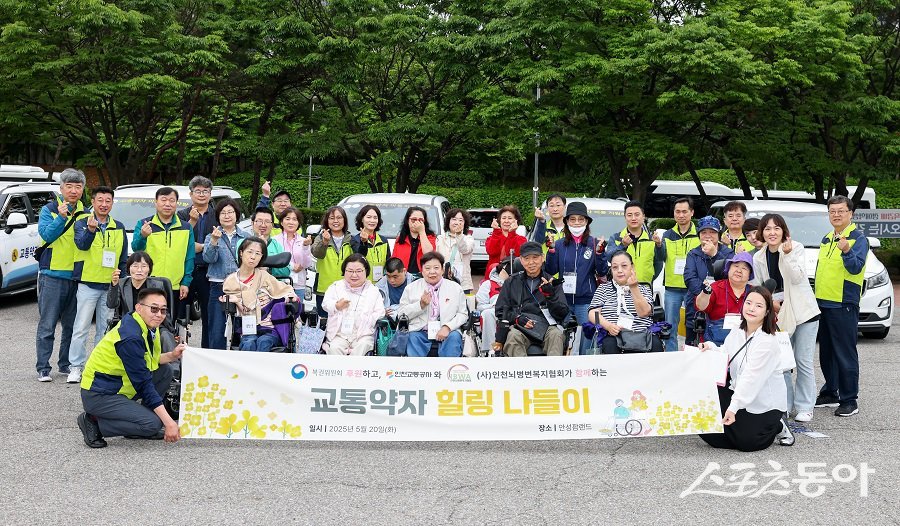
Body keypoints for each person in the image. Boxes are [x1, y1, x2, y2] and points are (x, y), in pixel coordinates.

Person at [77, 287, 185, 448]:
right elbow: (143, 383)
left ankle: (137, 422)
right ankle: (93, 422)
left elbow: (151, 361)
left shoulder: (145, 325)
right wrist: (168, 422)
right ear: (139, 307)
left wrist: (172, 355)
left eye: (163, 310)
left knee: (165, 371)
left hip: (119, 388)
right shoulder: (131, 337)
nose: (159, 314)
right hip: (99, 395)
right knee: (153, 424)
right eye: (154, 309)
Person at [699, 286, 794, 451]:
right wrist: (709, 347)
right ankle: (737, 429)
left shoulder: (767, 342)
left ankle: (778, 426)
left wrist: (733, 407)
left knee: (749, 443)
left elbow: (751, 378)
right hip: (739, 392)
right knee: (706, 429)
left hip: (764, 403)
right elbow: (727, 353)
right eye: (749, 303)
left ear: (766, 312)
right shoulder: (737, 329)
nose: (751, 308)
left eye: (758, 305)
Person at [752, 213, 820, 423]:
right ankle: (784, 405)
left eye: (776, 228)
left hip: (804, 313)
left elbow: (798, 277)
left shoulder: (795, 248)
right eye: (767, 229)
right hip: (778, 314)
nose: (772, 233)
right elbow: (762, 285)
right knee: (781, 363)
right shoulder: (758, 256)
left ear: (784, 231)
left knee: (803, 361)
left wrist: (788, 255)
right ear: (762, 232)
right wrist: (770, 302)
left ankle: (805, 406)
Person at [814, 195, 868, 417]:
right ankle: (831, 392)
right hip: (823, 302)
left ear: (850, 213)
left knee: (845, 352)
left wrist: (846, 250)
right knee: (826, 352)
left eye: (841, 211)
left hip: (843, 303)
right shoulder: (827, 238)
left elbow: (856, 268)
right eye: (832, 211)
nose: (836, 215)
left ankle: (849, 399)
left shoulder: (858, 238)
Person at [69, 186, 128, 383]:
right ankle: (75, 367)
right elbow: (81, 245)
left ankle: (96, 366)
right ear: (92, 202)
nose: (104, 204)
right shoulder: (81, 222)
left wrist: (121, 282)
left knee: (105, 329)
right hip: (87, 284)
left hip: (110, 285)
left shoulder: (119, 226)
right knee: (81, 328)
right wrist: (91, 230)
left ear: (112, 203)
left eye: (108, 201)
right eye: (100, 200)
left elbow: (122, 258)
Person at [35, 168, 88, 382]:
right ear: (61, 188)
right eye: (69, 186)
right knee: (47, 324)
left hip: (77, 276)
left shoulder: (87, 213)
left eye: (78, 186)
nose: (74, 190)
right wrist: (62, 217)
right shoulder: (49, 209)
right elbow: (46, 234)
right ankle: (43, 368)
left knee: (72, 326)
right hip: (52, 275)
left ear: (83, 189)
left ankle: (65, 365)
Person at [545, 201, 608, 354]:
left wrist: (600, 254)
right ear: (566, 221)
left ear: (587, 222)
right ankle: (562, 366)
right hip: (563, 299)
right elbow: (551, 270)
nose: (577, 223)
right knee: (560, 334)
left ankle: (585, 365)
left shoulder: (594, 243)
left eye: (581, 219)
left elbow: (602, 272)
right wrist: (551, 251)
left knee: (589, 332)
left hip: (586, 299)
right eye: (572, 219)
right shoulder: (559, 244)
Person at [492, 242, 569, 356]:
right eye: (527, 258)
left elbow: (562, 313)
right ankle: (522, 372)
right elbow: (500, 310)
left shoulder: (552, 282)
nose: (531, 262)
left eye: (535, 257)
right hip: (520, 327)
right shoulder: (511, 282)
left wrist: (550, 295)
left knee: (556, 335)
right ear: (521, 260)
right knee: (513, 337)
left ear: (542, 258)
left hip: (547, 326)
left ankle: (553, 371)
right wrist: (517, 318)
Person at [223, 237, 298, 352]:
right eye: (250, 252)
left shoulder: (264, 276)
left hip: (269, 327)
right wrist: (236, 301)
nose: (253, 257)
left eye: (258, 254)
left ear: (261, 258)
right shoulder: (231, 281)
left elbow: (285, 290)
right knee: (248, 344)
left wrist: (290, 297)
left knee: (264, 342)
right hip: (247, 327)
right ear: (241, 253)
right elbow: (234, 307)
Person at [131, 186, 194, 318]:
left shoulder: (186, 227)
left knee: (172, 324)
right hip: (148, 284)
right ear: (156, 202)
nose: (167, 204)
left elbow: (189, 257)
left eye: (172, 200)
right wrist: (143, 235)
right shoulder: (144, 224)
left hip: (175, 286)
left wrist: (186, 282)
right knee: (147, 321)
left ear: (176, 203)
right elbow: (136, 249)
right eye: (163, 200)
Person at [588, 250, 661, 354]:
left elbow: (644, 312)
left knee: (656, 345)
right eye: (615, 267)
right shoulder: (603, 289)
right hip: (614, 334)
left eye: (624, 266)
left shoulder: (644, 289)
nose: (619, 270)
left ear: (632, 267)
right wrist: (607, 325)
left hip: (642, 335)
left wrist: (634, 288)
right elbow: (593, 314)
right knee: (609, 345)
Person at [397, 252, 468, 357]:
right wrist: (420, 305)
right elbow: (401, 315)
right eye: (427, 268)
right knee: (412, 337)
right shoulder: (411, 288)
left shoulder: (455, 288)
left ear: (442, 270)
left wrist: (447, 327)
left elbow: (463, 314)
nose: (432, 272)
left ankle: (448, 371)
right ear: (421, 270)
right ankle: (418, 371)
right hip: (420, 331)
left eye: (436, 268)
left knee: (454, 338)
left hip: (448, 332)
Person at [177, 176, 218, 348]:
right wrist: (192, 224)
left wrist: (200, 247)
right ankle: (178, 354)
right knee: (180, 314)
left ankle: (206, 353)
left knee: (209, 316)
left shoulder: (217, 215)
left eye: (205, 191)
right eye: (198, 191)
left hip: (208, 270)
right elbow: (180, 242)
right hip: (185, 270)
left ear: (210, 194)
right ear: (190, 193)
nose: (201, 194)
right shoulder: (181, 215)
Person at [202, 198, 248, 350]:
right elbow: (208, 258)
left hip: (242, 287)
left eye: (230, 212)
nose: (227, 216)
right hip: (218, 285)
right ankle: (217, 362)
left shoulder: (246, 237)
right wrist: (214, 241)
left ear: (237, 215)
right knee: (217, 329)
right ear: (218, 216)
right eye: (223, 213)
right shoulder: (211, 236)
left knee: (242, 328)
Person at [683, 216, 734, 345]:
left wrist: (714, 255)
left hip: (721, 308)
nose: (708, 235)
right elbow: (690, 279)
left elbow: (729, 277)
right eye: (704, 232)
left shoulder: (728, 253)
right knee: (693, 346)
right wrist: (705, 295)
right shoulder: (693, 254)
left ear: (718, 234)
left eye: (712, 232)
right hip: (696, 308)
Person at [659, 197, 700, 352]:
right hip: (672, 287)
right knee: (670, 325)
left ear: (692, 213)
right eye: (678, 211)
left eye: (684, 211)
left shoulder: (699, 235)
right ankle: (672, 356)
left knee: (693, 324)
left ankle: (691, 354)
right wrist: (657, 246)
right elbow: (661, 258)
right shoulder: (667, 235)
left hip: (694, 287)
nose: (681, 215)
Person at [323, 254, 386, 355]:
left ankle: (353, 371)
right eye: (350, 271)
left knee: (362, 348)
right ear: (344, 271)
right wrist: (336, 306)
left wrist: (367, 319)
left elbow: (380, 312)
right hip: (339, 335)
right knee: (334, 348)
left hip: (364, 335)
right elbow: (325, 304)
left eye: (358, 271)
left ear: (366, 271)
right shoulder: (335, 287)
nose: (354, 275)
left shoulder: (373, 291)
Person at [695, 251, 754, 346]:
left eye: (744, 268)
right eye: (736, 266)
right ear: (728, 269)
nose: (739, 270)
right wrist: (705, 293)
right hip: (715, 342)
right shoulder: (715, 287)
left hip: (744, 344)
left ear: (749, 275)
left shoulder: (754, 293)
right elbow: (700, 307)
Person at [311, 206, 355, 317]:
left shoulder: (351, 239)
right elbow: (317, 254)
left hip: (347, 289)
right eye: (331, 218)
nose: (335, 221)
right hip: (324, 289)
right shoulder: (320, 238)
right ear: (327, 221)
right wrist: (325, 242)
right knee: (324, 323)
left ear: (344, 220)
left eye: (339, 218)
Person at [605, 200, 662, 284]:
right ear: (625, 217)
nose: (633, 218)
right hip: (622, 286)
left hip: (644, 286)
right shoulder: (616, 238)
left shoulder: (651, 239)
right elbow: (609, 258)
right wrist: (622, 245)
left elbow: (658, 263)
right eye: (629, 215)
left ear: (643, 217)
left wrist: (649, 277)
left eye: (637, 214)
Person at [108, 252, 172, 324]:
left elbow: (163, 311)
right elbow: (111, 305)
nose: (139, 270)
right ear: (129, 268)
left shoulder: (157, 286)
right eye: (135, 266)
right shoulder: (121, 284)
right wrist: (114, 285)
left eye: (144, 266)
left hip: (151, 324)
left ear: (149, 269)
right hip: (128, 325)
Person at [274, 207, 313, 300]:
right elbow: (274, 260)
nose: (291, 222)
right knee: (279, 312)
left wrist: (305, 247)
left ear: (298, 223)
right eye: (287, 219)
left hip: (298, 284)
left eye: (294, 219)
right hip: (279, 284)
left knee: (296, 312)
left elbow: (307, 264)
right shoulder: (274, 240)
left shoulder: (303, 241)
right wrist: (291, 265)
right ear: (282, 222)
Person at [435, 208, 475, 292]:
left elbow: (464, 250)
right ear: (448, 221)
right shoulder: (440, 238)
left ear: (465, 223)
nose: (457, 222)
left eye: (461, 220)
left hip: (462, 284)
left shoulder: (468, 239)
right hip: (442, 282)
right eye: (454, 219)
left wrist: (459, 235)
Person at [352, 205, 391, 282]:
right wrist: (364, 242)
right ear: (362, 219)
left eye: (375, 218)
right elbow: (360, 257)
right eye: (368, 217)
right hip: (362, 284)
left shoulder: (383, 240)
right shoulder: (355, 240)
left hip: (381, 284)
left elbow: (388, 262)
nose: (372, 220)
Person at [392, 206, 436, 276]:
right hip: (404, 276)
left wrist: (421, 231)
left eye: (420, 220)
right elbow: (394, 261)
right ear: (407, 221)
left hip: (423, 276)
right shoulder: (401, 239)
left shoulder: (430, 237)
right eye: (413, 219)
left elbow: (428, 253)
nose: (417, 222)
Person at [248, 207, 290, 278]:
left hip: (273, 287)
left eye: (267, 221)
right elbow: (243, 266)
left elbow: (286, 271)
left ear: (272, 225)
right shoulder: (243, 243)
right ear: (252, 223)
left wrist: (268, 269)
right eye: (259, 221)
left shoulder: (277, 245)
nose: (263, 225)